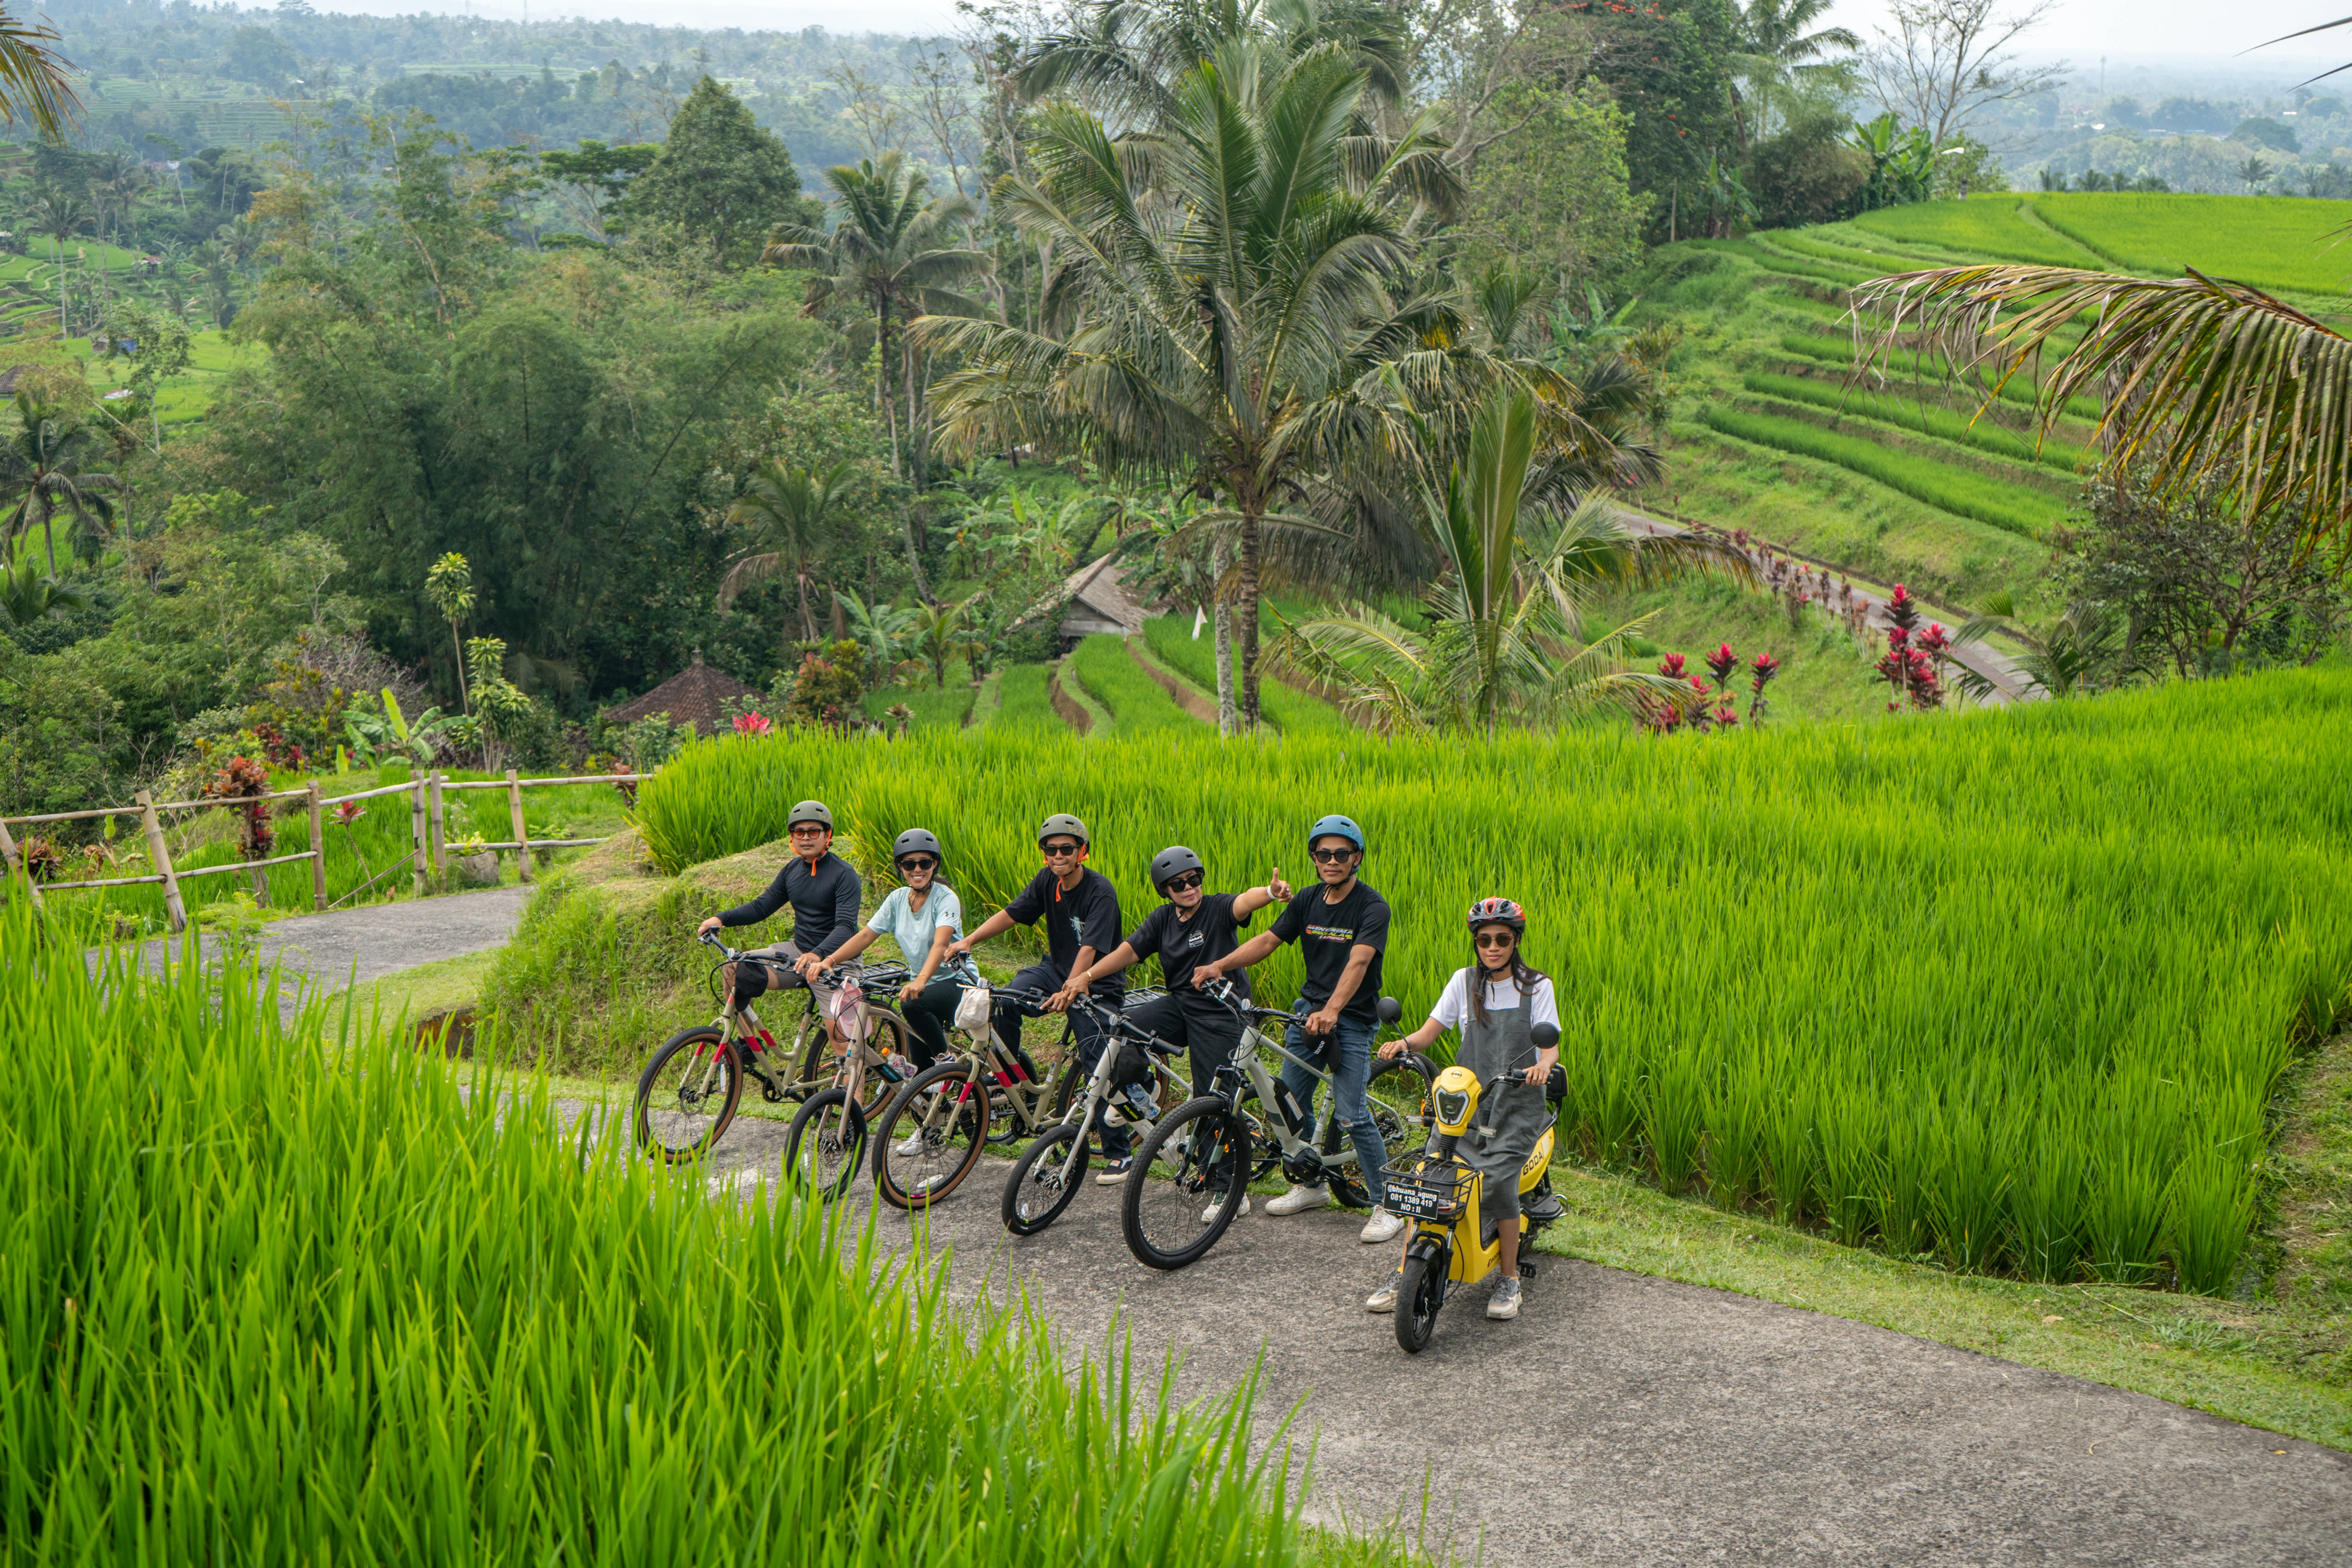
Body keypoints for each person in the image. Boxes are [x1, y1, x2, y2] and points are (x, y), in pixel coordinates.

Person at [1193, 813, 1402, 1243]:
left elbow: (1359, 961)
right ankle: (1311, 1185)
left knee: (1351, 1114)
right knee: (1287, 1105)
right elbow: (1267, 941)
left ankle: (1387, 1204)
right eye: (1323, 853)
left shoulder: (1371, 905)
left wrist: (1333, 1010)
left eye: (1340, 854)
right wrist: (1219, 964)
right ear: (1314, 857)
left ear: (1356, 858)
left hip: (1352, 1019)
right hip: (1307, 1012)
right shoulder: (1307, 900)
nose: (1331, 860)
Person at [1068, 846, 1291, 1219]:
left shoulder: (1217, 909)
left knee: (1212, 1097)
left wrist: (1270, 893)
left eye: (1194, 879)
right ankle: (1144, 1091)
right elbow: (1128, 951)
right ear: (1165, 890)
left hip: (1222, 1011)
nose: (1189, 887)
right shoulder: (1162, 920)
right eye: (1179, 883)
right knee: (1122, 1030)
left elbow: (1244, 903)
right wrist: (1087, 976)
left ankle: (1228, 1189)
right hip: (1181, 1004)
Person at [1365, 897, 1559, 1322]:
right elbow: (1430, 1032)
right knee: (1428, 1179)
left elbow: (1549, 1045)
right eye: (1484, 939)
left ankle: (1509, 1279)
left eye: (1502, 939)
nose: (1493, 946)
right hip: (1466, 1103)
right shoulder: (1463, 981)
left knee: (1499, 1183)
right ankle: (1404, 1271)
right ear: (1475, 942)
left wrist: (1544, 1066)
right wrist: (1404, 1044)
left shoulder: (1536, 986)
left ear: (1515, 941)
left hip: (1515, 1106)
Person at [949, 813, 1133, 1182]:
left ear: (1083, 852)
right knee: (1004, 1000)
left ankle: (1119, 1151)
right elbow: (1013, 914)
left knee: (1097, 1059)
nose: (1058, 855)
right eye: (1051, 849)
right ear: (1044, 853)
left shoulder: (1101, 891)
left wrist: (1073, 986)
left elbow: (1091, 948)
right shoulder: (1047, 880)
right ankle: (1013, 1082)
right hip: (1054, 969)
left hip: (1097, 983)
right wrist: (969, 940)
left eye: (1067, 849)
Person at [694, 800, 862, 1050]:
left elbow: (847, 927)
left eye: (814, 832)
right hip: (798, 953)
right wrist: (722, 919)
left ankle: (854, 1089)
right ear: (792, 837)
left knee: (844, 1048)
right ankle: (748, 1045)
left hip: (836, 960)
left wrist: (818, 954)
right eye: (799, 832)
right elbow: (763, 907)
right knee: (733, 969)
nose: (806, 838)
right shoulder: (792, 870)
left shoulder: (844, 874)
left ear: (828, 835)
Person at [808, 828, 978, 1072]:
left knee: (912, 1004)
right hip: (924, 985)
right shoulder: (897, 899)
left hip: (959, 982)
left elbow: (941, 945)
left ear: (935, 864)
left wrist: (920, 980)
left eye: (925, 863)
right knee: (919, 1074)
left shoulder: (946, 898)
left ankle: (946, 1061)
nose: (917, 870)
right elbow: (866, 935)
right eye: (909, 864)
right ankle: (935, 1096)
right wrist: (830, 961)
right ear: (900, 867)